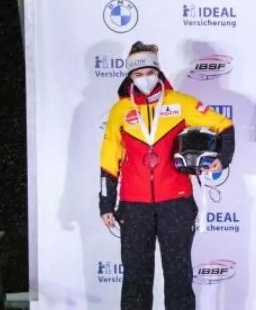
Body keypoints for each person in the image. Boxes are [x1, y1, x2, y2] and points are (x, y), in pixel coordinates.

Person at [98, 42, 235, 310]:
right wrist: (106, 203)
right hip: (133, 206)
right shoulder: (120, 111)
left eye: (148, 72)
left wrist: (223, 159)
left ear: (158, 72)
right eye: (137, 75)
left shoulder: (180, 103)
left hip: (176, 203)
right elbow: (108, 159)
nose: (143, 79)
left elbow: (224, 126)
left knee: (178, 277)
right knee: (135, 278)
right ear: (129, 78)